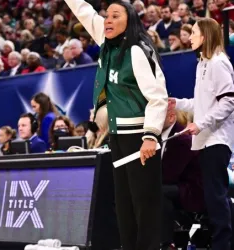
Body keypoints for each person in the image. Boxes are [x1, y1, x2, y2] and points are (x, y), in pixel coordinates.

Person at [63, 0, 168, 250]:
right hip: (118, 135)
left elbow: (158, 96)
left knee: (145, 205)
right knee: (123, 205)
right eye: (106, 15)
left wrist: (151, 136)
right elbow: (84, 11)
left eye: (115, 16)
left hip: (140, 137)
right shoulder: (107, 39)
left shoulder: (137, 50)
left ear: (128, 20)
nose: (107, 20)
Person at [169, 18, 234, 250]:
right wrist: (177, 103)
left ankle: (223, 245)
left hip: (217, 140)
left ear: (205, 36)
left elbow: (229, 101)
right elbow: (202, 103)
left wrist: (201, 124)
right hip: (206, 141)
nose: (190, 36)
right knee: (212, 197)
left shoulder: (219, 63)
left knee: (216, 197)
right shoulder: (203, 64)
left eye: (194, 32)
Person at [161, 109, 204, 250]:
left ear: (171, 117)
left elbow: (169, 174)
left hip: (192, 190)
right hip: (178, 184)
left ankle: (166, 243)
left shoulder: (181, 139)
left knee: (159, 192)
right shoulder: (164, 136)